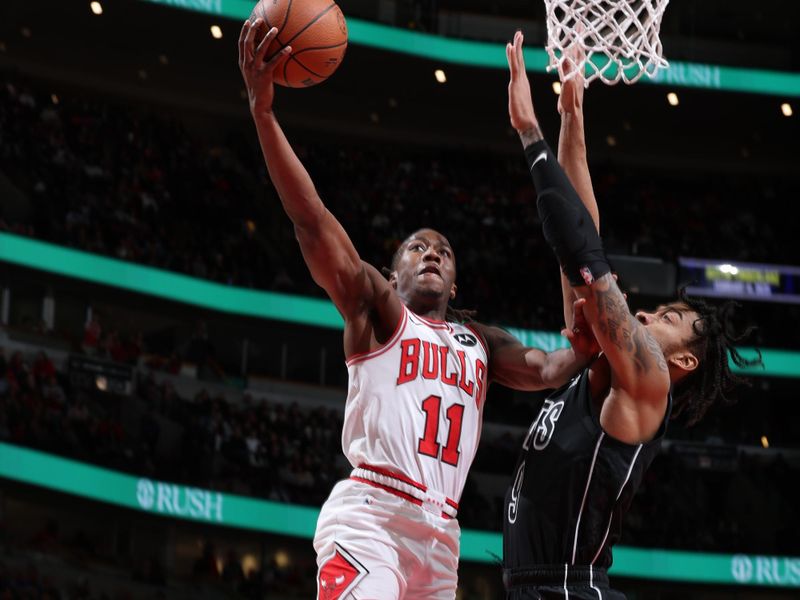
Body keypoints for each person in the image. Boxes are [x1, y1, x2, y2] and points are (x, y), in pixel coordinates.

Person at [238, 19, 598, 600]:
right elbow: (311, 223)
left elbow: (545, 370)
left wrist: (581, 351)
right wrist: (263, 114)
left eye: (445, 251)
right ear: (393, 271)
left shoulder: (478, 340)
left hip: (441, 536)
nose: (432, 253)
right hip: (372, 516)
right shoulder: (376, 310)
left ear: (455, 282)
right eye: (417, 247)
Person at [502, 31, 761, 599]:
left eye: (667, 317)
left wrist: (531, 135)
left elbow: (585, 258)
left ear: (685, 358)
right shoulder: (598, 364)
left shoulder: (647, 382)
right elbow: (582, 239)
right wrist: (572, 117)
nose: (646, 313)